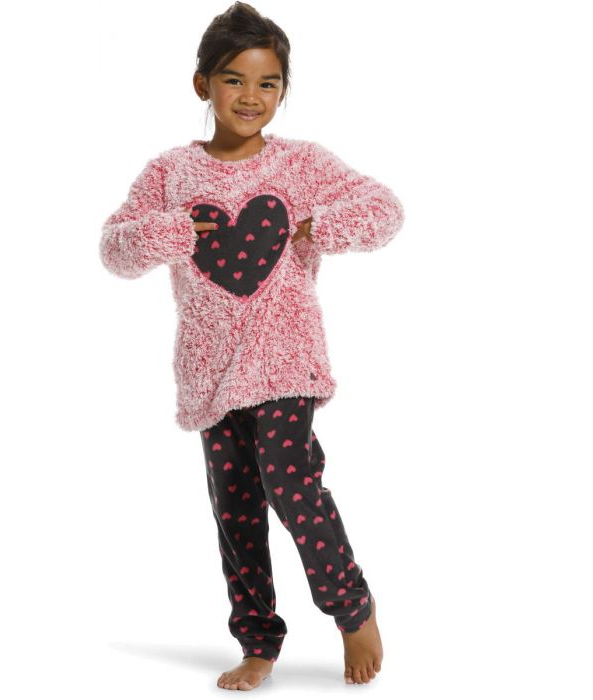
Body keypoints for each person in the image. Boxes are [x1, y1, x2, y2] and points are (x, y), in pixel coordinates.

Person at [99, 1, 405, 690]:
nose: (251, 96)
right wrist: (173, 231)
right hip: (211, 372)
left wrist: (323, 226)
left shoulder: (301, 165)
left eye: (268, 83)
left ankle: (351, 606)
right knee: (235, 508)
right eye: (234, 79)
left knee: (290, 483)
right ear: (202, 83)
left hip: (284, 357)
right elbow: (114, 248)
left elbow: (385, 209)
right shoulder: (171, 173)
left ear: (283, 90)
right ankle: (258, 641)